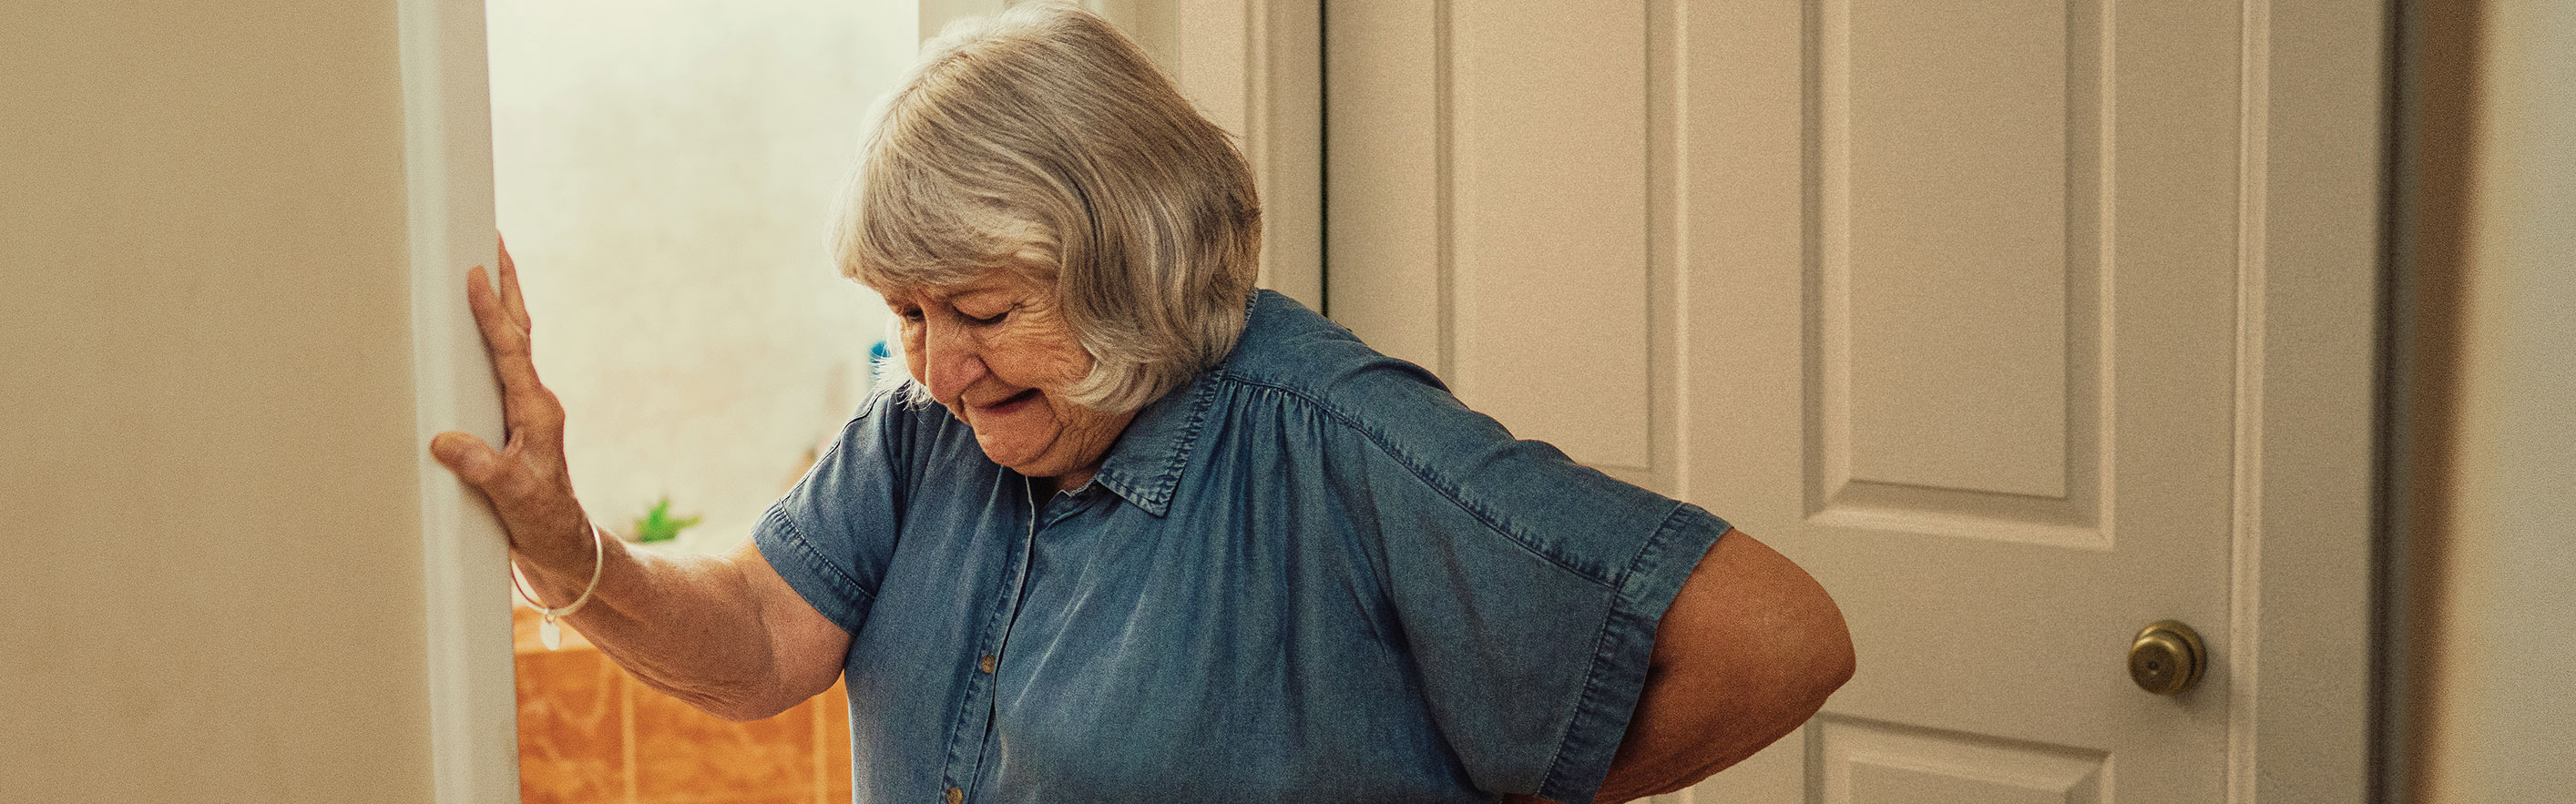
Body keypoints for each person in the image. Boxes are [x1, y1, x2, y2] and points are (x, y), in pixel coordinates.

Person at [430, 4, 1853, 803]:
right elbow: (752, 646)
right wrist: (568, 551)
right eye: (904, 315)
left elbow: (1777, 638)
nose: (936, 369)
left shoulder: (1335, 437)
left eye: (984, 313)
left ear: (1136, 265)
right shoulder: (924, 434)